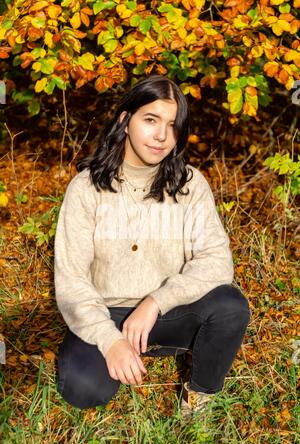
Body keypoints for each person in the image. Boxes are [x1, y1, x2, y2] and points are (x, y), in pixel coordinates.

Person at [54, 74, 250, 416]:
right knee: (81, 388)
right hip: (109, 315)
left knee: (230, 305)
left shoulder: (190, 185)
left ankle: (199, 396)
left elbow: (217, 262)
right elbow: (71, 281)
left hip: (170, 314)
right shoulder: (86, 188)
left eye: (173, 125)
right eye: (150, 120)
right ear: (125, 120)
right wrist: (109, 340)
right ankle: (122, 349)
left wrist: (156, 301)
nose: (162, 135)